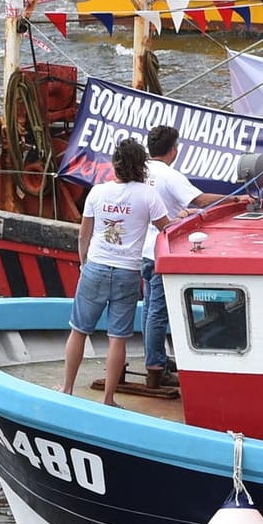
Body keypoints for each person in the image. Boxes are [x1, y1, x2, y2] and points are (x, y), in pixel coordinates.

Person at [61, 138, 170, 404]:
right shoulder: (148, 195)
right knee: (117, 338)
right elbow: (167, 228)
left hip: (95, 267)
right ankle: (109, 399)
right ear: (141, 165)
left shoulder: (97, 192)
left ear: (115, 164)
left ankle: (67, 389)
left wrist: (83, 263)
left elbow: (83, 235)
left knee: (78, 330)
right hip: (127, 272)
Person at [141, 125, 226, 389]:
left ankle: (153, 357)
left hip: (143, 249)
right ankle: (155, 366)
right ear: (174, 150)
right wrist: (238, 198)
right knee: (158, 312)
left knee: (149, 309)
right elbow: (200, 201)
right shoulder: (170, 175)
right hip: (162, 251)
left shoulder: (140, 171)